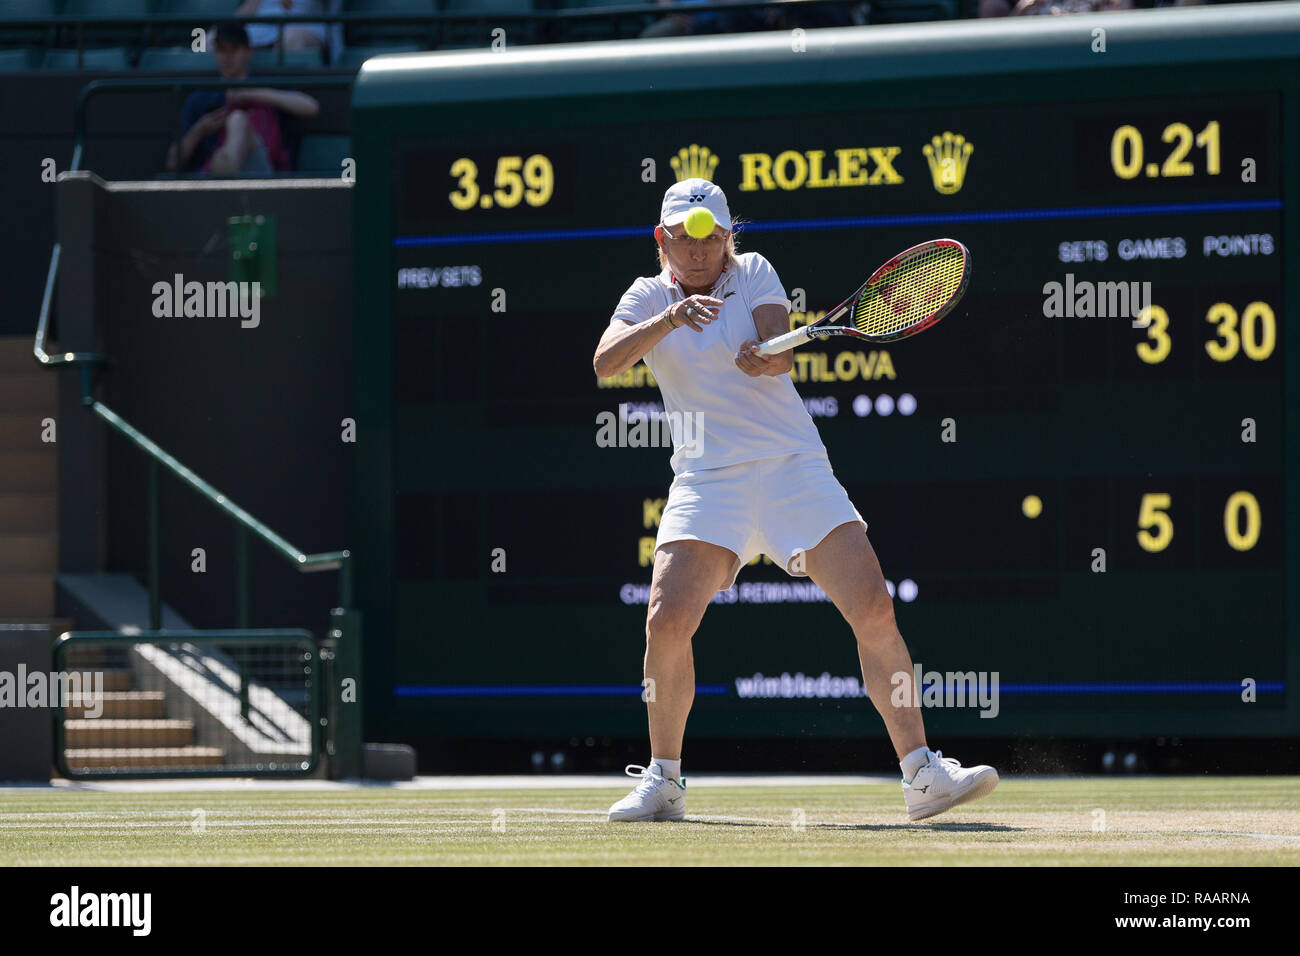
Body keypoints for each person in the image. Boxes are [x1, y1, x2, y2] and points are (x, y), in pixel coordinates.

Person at [593, 179, 999, 823]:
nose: (697, 251)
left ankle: (922, 774)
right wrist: (668, 319)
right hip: (707, 480)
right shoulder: (646, 295)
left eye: (711, 237)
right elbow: (604, 364)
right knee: (666, 622)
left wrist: (765, 359)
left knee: (873, 604)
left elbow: (776, 343)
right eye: (683, 237)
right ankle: (664, 781)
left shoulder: (753, 271)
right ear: (661, 239)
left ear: (729, 238)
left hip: (791, 466)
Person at [166, 22, 320, 177]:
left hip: (264, 176)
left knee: (238, 120)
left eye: (234, 49)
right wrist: (200, 129)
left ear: (248, 51)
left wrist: (252, 94)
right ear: (214, 53)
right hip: (208, 175)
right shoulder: (201, 98)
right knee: (237, 120)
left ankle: (226, 168)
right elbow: (173, 163)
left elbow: (311, 107)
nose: (227, 57)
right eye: (221, 50)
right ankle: (224, 169)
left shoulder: (268, 87)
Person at [235, 0, 328, 51]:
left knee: (292, 37)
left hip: (303, 25)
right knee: (227, 36)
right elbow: (249, 9)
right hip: (262, 26)